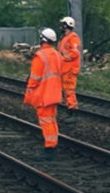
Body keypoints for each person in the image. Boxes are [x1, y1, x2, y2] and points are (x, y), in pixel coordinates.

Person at [24, 28, 63, 160]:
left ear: (42, 40)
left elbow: (34, 77)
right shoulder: (57, 55)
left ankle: (49, 148)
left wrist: (29, 91)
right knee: (51, 119)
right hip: (55, 92)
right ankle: (53, 144)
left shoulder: (40, 56)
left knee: (45, 120)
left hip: (44, 94)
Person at [58, 17, 82, 121]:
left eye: (63, 24)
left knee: (69, 91)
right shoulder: (65, 37)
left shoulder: (73, 38)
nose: (61, 27)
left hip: (70, 70)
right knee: (66, 91)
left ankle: (73, 112)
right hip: (65, 69)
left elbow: (75, 53)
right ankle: (70, 111)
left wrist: (63, 59)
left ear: (67, 25)